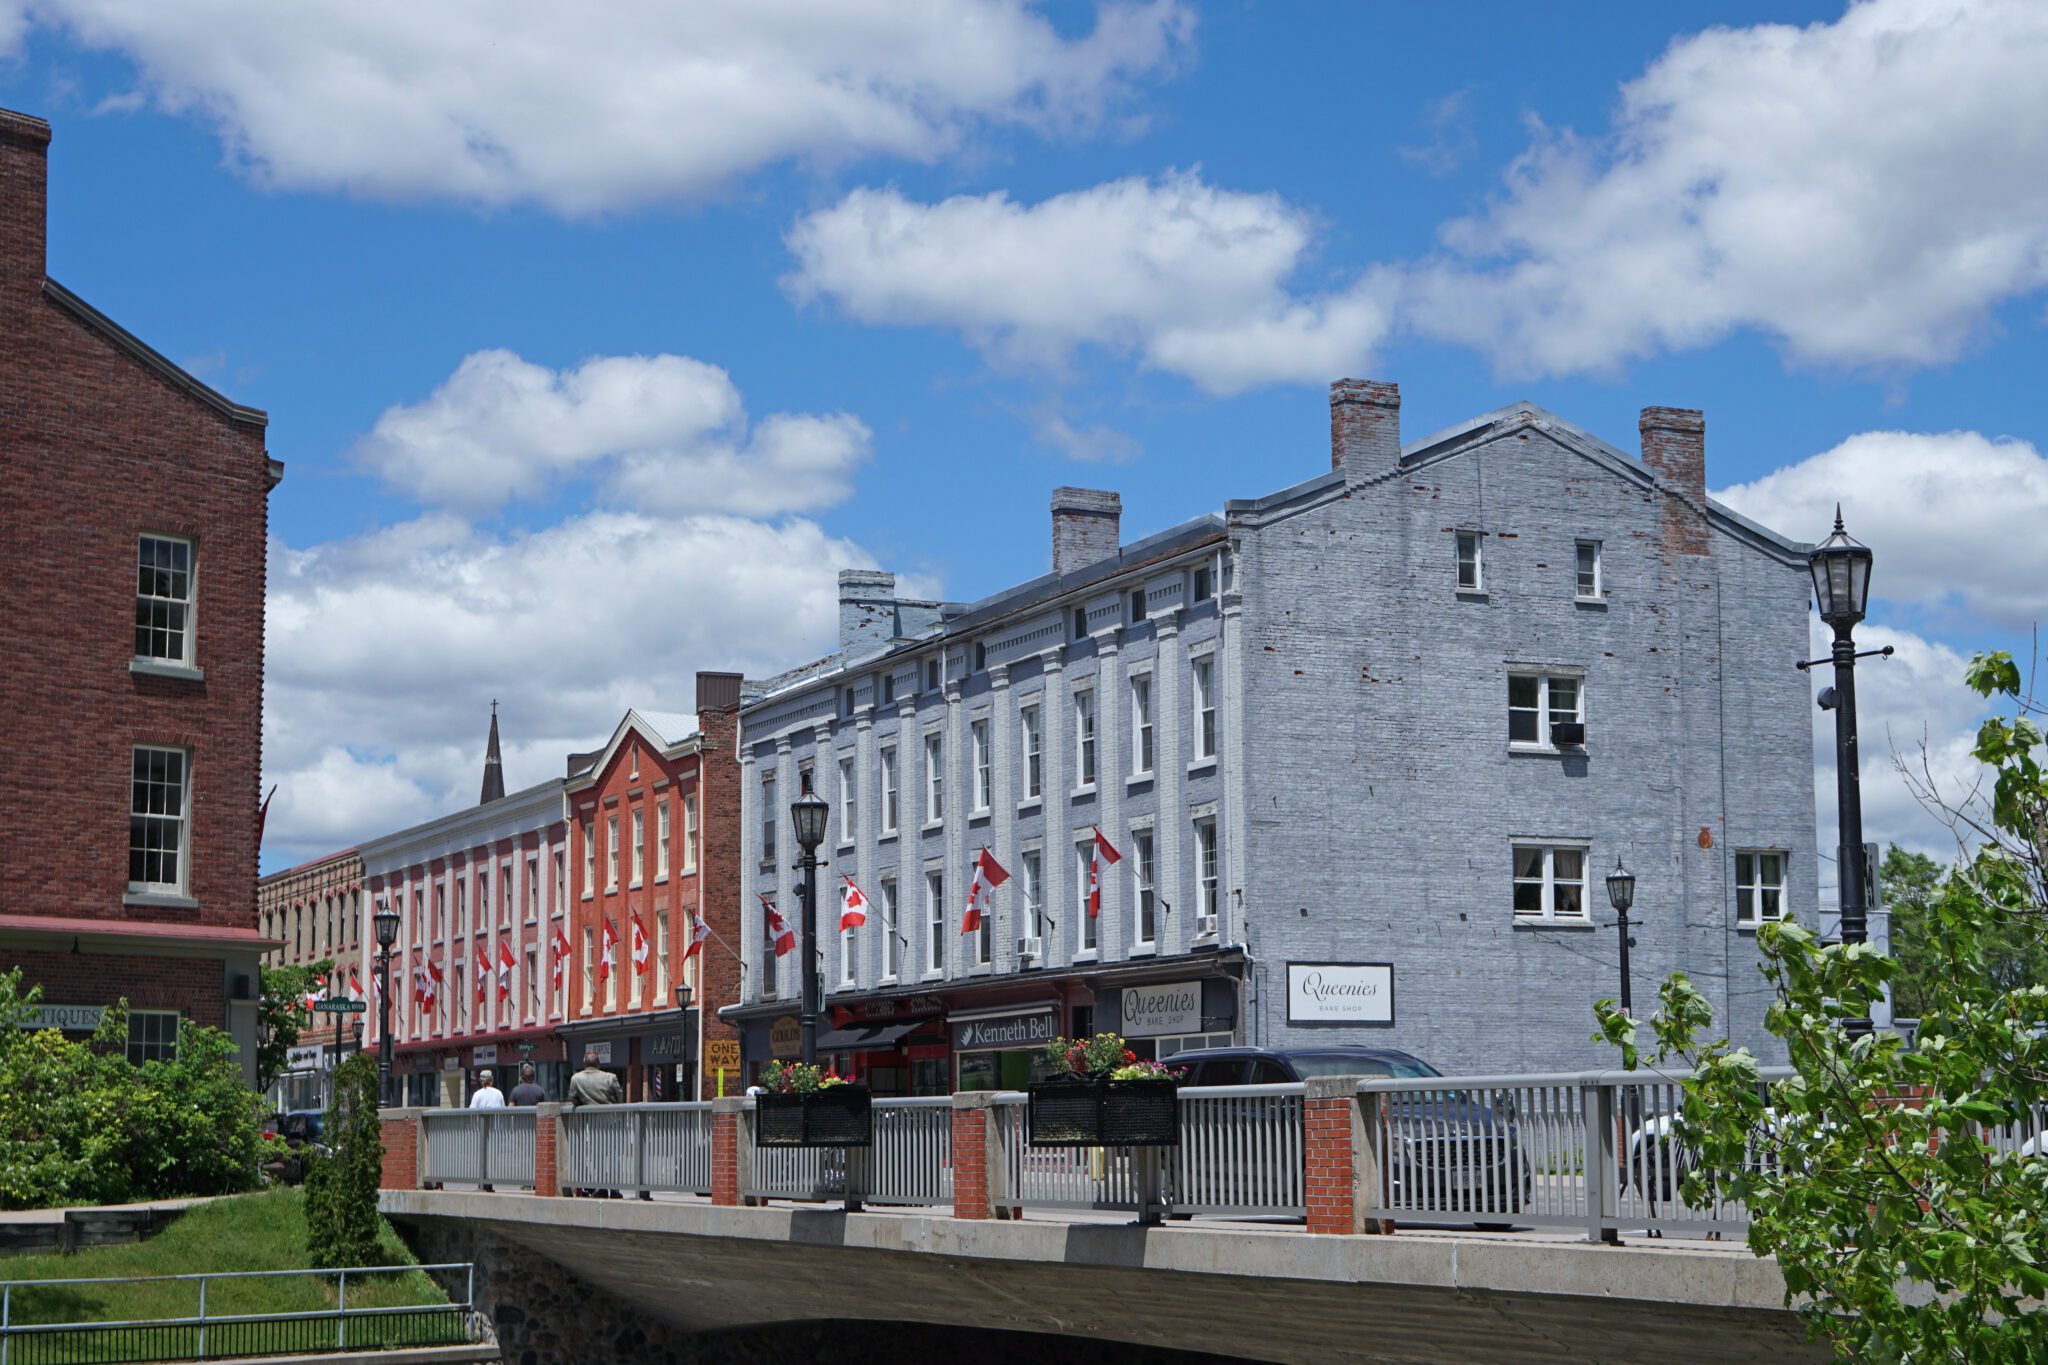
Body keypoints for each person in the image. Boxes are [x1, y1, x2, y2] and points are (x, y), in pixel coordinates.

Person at [567, 1050, 625, 1198]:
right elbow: (620, 1097)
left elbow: (573, 1099)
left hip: (592, 1123)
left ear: (584, 1063)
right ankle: (615, 1190)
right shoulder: (610, 1077)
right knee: (613, 1156)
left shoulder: (576, 1079)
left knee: (597, 1156)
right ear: (599, 1063)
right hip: (612, 1122)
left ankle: (601, 1188)